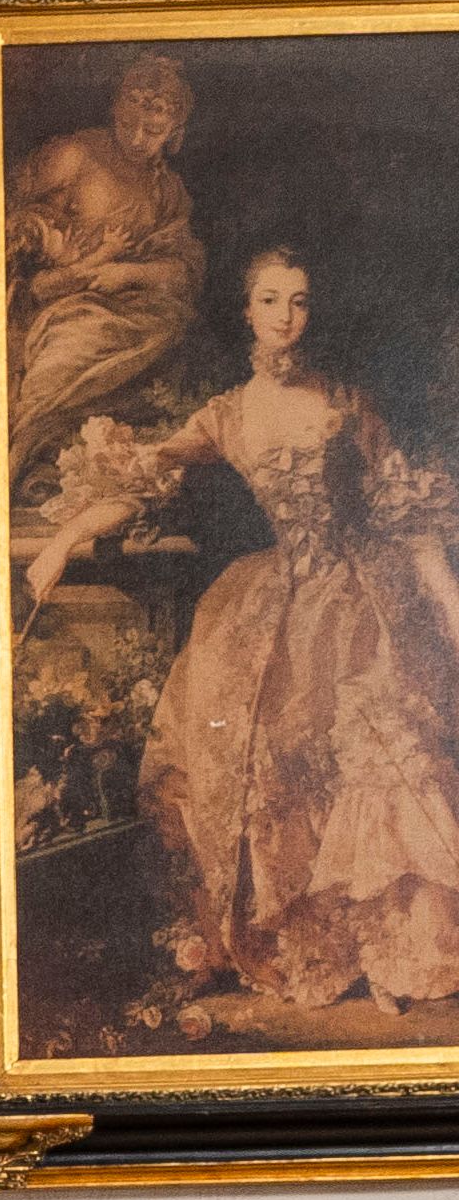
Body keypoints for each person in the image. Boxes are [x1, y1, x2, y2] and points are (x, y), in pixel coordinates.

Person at [30, 247, 459, 1014]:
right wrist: (60, 544)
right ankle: (315, 946)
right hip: (274, 599)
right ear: (247, 312)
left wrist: (449, 606)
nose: (286, 317)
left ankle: (390, 950)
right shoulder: (225, 414)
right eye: (270, 300)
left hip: (358, 599)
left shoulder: (348, 404)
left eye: (298, 301)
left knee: (373, 755)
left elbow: (410, 515)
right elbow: (138, 482)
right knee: (268, 760)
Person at [3, 53, 203, 503]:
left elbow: (184, 269)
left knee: (166, 330)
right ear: (115, 108)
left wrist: (126, 272)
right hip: (53, 301)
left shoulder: (167, 192)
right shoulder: (74, 156)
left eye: (153, 131)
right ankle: (12, 460)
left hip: (134, 307)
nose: (137, 138)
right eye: (129, 122)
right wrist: (42, 237)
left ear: (174, 132)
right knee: (71, 351)